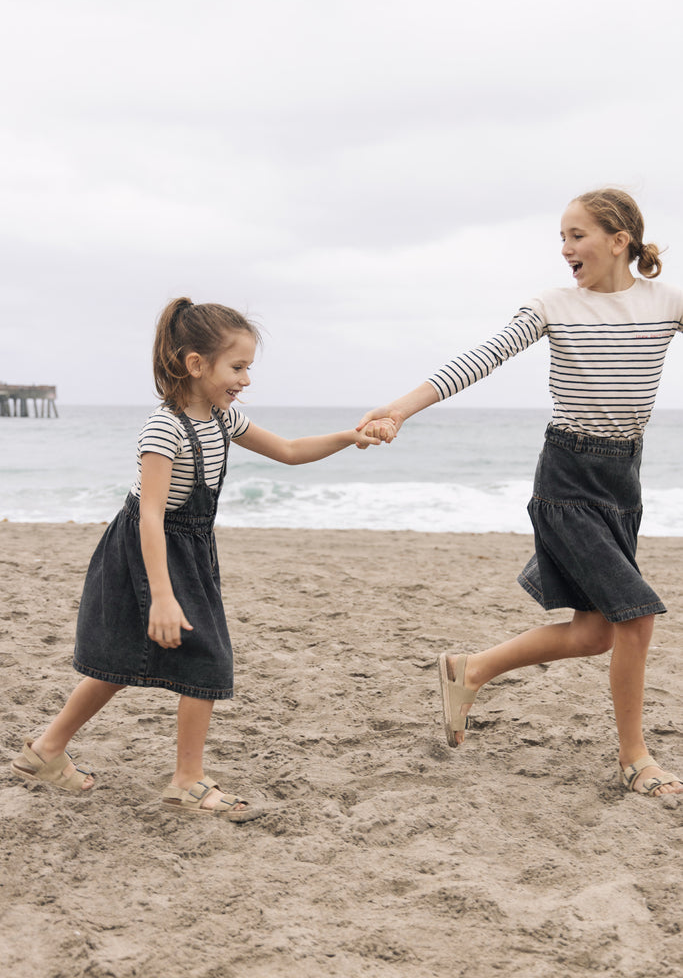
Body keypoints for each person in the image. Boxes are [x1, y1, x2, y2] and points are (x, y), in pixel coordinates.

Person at [11, 297, 394, 818]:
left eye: (248, 368)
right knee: (206, 659)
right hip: (148, 551)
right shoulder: (163, 429)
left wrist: (350, 437)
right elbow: (149, 518)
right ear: (196, 364)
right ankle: (187, 780)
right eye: (238, 367)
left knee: (120, 661)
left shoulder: (223, 416)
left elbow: (288, 449)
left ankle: (44, 753)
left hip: (188, 546)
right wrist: (162, 598)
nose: (246, 379)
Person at [359, 188, 683, 798]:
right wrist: (400, 410)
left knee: (596, 633)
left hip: (623, 482)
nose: (566, 249)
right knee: (636, 617)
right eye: (562, 237)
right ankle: (635, 759)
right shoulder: (553, 305)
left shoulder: (667, 302)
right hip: (566, 479)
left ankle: (469, 668)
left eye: (577, 235)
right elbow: (479, 359)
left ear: (620, 240)